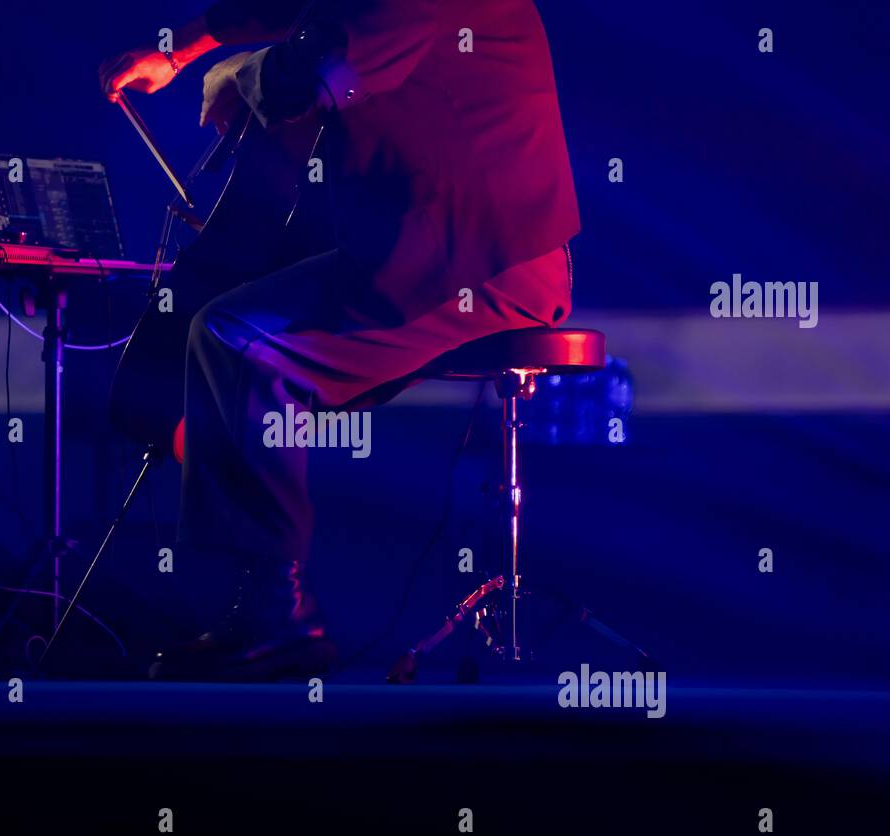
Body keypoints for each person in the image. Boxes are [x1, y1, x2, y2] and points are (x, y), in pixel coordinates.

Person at [99, 0, 579, 679]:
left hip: (485, 264)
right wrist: (178, 52)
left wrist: (243, 75)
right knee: (232, 336)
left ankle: (275, 617)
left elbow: (323, 67)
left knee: (237, 340)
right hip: (439, 253)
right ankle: (259, 603)